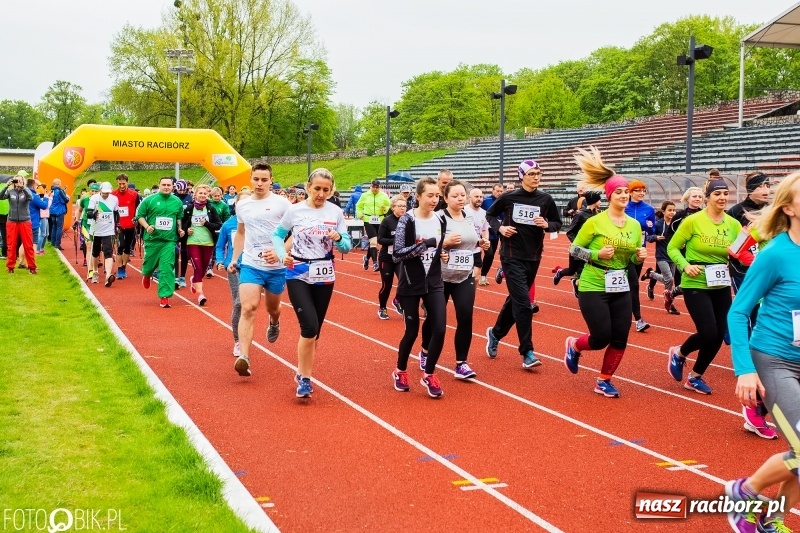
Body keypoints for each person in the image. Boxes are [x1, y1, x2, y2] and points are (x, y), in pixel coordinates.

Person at [724, 171, 800, 533]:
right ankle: (744, 492)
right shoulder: (775, 254)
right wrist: (744, 369)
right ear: (789, 208)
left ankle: (776, 519)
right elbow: (738, 311)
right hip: (775, 359)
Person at [563, 147, 646, 398]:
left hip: (620, 284)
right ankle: (575, 346)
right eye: (618, 192)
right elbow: (574, 249)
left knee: (620, 337)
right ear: (609, 196)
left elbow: (631, 254)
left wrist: (637, 256)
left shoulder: (634, 225)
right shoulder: (595, 222)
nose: (623, 195)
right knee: (601, 337)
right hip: (593, 284)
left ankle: (604, 380)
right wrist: (596, 255)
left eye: (626, 192)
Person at [272, 168, 352, 398]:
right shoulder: (295, 210)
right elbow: (278, 236)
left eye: (326, 190)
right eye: (317, 188)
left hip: (324, 273)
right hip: (297, 271)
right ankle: (305, 379)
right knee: (309, 326)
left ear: (332, 190)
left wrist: (339, 239)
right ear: (308, 187)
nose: (321, 194)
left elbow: (346, 246)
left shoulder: (335, 212)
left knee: (316, 330)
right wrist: (281, 254)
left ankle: (301, 371)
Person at [666, 177, 741, 395]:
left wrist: (751, 237)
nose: (722, 198)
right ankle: (679, 352)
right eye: (717, 194)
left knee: (719, 334)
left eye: (725, 194)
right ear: (707, 197)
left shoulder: (733, 224)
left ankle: (696, 376)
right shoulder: (693, 221)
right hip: (695, 281)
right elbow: (672, 248)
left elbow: (738, 254)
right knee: (708, 332)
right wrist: (685, 266)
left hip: (720, 283)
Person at [485, 160, 562, 369]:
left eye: (539, 173)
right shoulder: (509, 197)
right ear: (522, 176)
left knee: (515, 300)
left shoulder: (546, 199)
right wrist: (500, 228)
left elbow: (558, 223)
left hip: (534, 257)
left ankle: (495, 333)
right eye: (532, 173)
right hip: (510, 256)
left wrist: (547, 225)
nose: (536, 177)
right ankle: (527, 351)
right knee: (524, 304)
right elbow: (490, 214)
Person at [726, 171, 778, 440]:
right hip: (771, 300)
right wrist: (759, 265)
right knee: (774, 357)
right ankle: (757, 408)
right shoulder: (769, 222)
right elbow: (736, 249)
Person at [228, 163, 291, 377]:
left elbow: (295, 231)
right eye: (256, 179)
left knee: (273, 308)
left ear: (271, 180)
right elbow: (241, 233)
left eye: (264, 179)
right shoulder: (243, 205)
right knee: (248, 307)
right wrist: (235, 258)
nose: (260, 183)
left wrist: (280, 252)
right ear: (250, 179)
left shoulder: (283, 204)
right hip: (251, 264)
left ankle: (274, 322)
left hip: (275, 267)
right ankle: (243, 357)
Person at [392, 177, 452, 397]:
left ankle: (429, 373)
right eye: (430, 195)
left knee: (440, 328)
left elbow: (437, 249)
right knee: (412, 331)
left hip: (434, 281)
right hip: (411, 281)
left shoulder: (440, 219)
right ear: (417, 196)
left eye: (437, 195)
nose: (434, 199)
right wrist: (423, 245)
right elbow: (398, 254)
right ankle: (400, 370)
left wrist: (441, 253)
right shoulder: (407, 220)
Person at [422, 180, 482, 380]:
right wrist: (443, 248)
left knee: (465, 317)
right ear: (445, 198)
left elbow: (473, 242)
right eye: (455, 196)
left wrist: (483, 245)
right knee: (434, 319)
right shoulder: (438, 218)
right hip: (440, 277)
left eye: (462, 195)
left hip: (464, 275)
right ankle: (425, 350)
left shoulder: (470, 217)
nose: (460, 199)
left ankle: (461, 363)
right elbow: (427, 245)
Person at [136, 177, 186, 308]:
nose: (166, 187)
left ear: (173, 186)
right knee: (149, 265)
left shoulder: (177, 201)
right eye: (163, 185)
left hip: (169, 241)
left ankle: (164, 296)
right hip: (152, 240)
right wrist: (147, 227)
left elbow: (179, 218)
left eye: (169, 185)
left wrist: (180, 229)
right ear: (159, 185)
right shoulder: (149, 200)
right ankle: (147, 274)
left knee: (167, 268)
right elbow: (139, 216)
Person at [216, 189, 253, 356]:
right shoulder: (228, 224)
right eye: (241, 203)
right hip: (234, 267)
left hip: (253, 267)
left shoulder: (257, 223)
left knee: (250, 306)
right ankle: (238, 341)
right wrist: (219, 260)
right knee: (238, 303)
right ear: (236, 205)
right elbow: (219, 246)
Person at [553, 190, 602, 296]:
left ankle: (580, 289)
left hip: (591, 248)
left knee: (585, 269)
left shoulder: (598, 214)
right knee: (572, 270)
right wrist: (577, 243)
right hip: (578, 248)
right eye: (599, 200)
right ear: (594, 201)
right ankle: (561, 273)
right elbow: (570, 231)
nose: (601, 202)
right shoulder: (580, 215)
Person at [181, 184, 221, 305]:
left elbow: (218, 225)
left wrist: (207, 224)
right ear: (195, 194)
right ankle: (200, 294)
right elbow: (182, 225)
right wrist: (186, 230)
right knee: (197, 267)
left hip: (208, 243)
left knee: (203, 269)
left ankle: (194, 280)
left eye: (205, 193)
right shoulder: (189, 209)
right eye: (200, 193)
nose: (202, 195)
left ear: (207, 195)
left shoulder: (210, 209)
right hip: (193, 242)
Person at [624, 180, 655, 332]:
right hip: (624, 251)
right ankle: (638, 319)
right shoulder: (624, 207)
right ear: (630, 192)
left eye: (643, 190)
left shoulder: (649, 209)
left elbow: (651, 231)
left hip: (640, 251)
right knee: (634, 285)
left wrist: (649, 229)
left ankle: (623, 309)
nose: (641, 193)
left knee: (632, 283)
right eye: (638, 190)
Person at [641, 201, 681, 315]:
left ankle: (651, 275)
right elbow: (648, 236)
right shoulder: (658, 224)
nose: (672, 212)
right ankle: (670, 303)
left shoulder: (676, 224)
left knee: (669, 281)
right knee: (669, 279)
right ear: (663, 211)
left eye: (674, 210)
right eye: (670, 210)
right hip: (661, 256)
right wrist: (656, 237)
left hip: (672, 255)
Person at [377, 194, 406, 319]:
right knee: (387, 285)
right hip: (387, 258)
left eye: (404, 206)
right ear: (393, 207)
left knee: (404, 282)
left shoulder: (408, 220)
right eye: (400, 206)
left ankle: (397, 300)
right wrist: (395, 241)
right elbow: (380, 239)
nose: (402, 208)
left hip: (401, 258)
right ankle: (382, 307)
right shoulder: (387, 221)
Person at [1, 172, 37, 273]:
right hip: (11, 221)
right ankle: (10, 267)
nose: (18, 182)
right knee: (11, 245)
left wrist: (23, 187)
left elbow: (31, 197)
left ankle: (32, 267)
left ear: (23, 181)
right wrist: (6, 185)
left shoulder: (26, 191)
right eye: (16, 180)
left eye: (20, 180)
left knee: (28, 245)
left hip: (25, 221)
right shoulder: (10, 191)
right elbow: (0, 196)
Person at [88, 182, 120, 287]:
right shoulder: (94, 198)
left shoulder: (114, 199)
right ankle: (95, 272)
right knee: (95, 252)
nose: (106, 194)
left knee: (108, 252)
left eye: (108, 193)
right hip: (96, 230)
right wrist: (94, 214)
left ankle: (108, 275)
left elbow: (116, 213)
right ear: (100, 190)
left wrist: (117, 224)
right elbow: (88, 214)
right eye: (104, 192)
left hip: (108, 230)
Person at [355, 179, 390, 272]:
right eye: (373, 187)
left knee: (375, 242)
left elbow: (389, 207)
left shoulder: (384, 196)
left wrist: (385, 208)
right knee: (374, 242)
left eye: (377, 187)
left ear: (380, 187)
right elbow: (358, 206)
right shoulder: (365, 195)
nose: (375, 189)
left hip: (380, 220)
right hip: (368, 220)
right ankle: (375, 263)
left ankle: (366, 258)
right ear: (371, 186)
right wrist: (359, 214)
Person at [112, 173, 140, 280]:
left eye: (123, 183)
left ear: (127, 182)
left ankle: (124, 267)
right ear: (117, 182)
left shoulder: (134, 195)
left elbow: (138, 208)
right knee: (120, 246)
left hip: (130, 225)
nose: (122, 186)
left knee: (127, 247)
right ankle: (119, 268)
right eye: (120, 184)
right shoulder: (113, 194)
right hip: (119, 225)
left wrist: (136, 218)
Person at [479, 183, 504, 285]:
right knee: (488, 253)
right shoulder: (485, 201)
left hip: (496, 233)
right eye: (497, 191)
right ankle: (479, 275)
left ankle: (483, 276)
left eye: (501, 191)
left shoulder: (503, 202)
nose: (499, 193)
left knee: (491, 255)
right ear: (492, 190)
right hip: (485, 232)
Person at [465, 186, 490, 283]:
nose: (479, 199)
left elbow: (484, 229)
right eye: (476, 196)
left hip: (476, 250)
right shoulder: (463, 211)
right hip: (464, 249)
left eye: (481, 196)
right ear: (469, 197)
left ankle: (471, 297)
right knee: (463, 278)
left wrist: (486, 240)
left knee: (475, 277)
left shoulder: (484, 213)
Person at [76, 183, 101, 280]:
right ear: (89, 191)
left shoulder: (101, 201)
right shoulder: (85, 200)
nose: (94, 193)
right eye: (92, 191)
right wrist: (77, 220)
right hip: (86, 225)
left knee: (97, 247)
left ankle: (95, 268)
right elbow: (79, 210)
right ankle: (90, 270)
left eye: (96, 191)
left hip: (98, 226)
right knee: (89, 246)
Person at [48, 178, 70, 250]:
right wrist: (67, 197)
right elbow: (65, 200)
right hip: (59, 211)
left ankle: (53, 242)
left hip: (52, 210)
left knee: (54, 226)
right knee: (59, 228)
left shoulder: (51, 190)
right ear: (59, 184)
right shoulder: (60, 191)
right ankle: (57, 244)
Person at [35, 184, 50, 254]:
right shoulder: (40, 197)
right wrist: (47, 197)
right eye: (45, 189)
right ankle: (38, 249)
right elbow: (46, 206)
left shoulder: (43, 196)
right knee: (43, 234)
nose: (46, 190)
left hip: (45, 216)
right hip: (42, 216)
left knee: (46, 234)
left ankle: (41, 248)